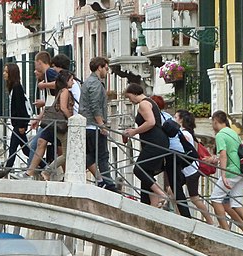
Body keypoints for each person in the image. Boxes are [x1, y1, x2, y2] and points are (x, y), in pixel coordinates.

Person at [208, 110, 243, 237]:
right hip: (241, 171)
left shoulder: (220, 135)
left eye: (212, 123)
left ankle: (226, 231)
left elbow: (223, 155)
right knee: (236, 203)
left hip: (231, 171)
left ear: (216, 121)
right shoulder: (233, 133)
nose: (212, 126)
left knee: (215, 199)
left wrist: (224, 174)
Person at [14, 70, 75, 179]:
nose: (73, 82)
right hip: (61, 125)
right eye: (71, 80)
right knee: (67, 154)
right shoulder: (65, 91)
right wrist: (72, 119)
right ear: (66, 81)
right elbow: (63, 108)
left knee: (42, 144)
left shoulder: (59, 90)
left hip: (52, 123)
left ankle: (31, 172)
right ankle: (48, 171)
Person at [123, 83, 169, 206]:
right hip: (156, 141)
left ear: (134, 93)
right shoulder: (150, 102)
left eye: (129, 97)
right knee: (147, 174)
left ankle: (161, 193)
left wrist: (134, 131)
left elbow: (151, 122)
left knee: (139, 170)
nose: (129, 100)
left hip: (155, 142)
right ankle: (152, 207)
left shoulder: (143, 104)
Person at [79, 56, 117, 191]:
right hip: (93, 126)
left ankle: (101, 180)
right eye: (106, 68)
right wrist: (102, 125)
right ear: (99, 68)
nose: (107, 72)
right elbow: (95, 106)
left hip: (88, 125)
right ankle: (109, 184)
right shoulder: (95, 84)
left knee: (90, 155)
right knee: (102, 156)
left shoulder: (88, 82)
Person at [150, 95, 190, 217]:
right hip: (179, 151)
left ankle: (185, 216)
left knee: (175, 186)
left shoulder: (157, 118)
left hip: (171, 152)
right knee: (175, 184)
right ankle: (182, 213)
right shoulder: (168, 116)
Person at [174, 108, 214, 224]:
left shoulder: (185, 134)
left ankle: (210, 221)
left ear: (181, 120)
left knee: (194, 198)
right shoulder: (187, 133)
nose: (174, 119)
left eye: (176, 117)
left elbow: (182, 148)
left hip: (190, 170)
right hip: (189, 169)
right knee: (173, 191)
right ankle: (179, 216)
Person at [3, 63, 31, 172]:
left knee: (13, 148)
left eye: (6, 71)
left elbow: (20, 108)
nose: (4, 74)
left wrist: (22, 125)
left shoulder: (17, 87)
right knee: (25, 150)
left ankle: (7, 169)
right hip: (18, 124)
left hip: (19, 125)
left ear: (11, 73)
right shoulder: (14, 87)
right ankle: (43, 164)